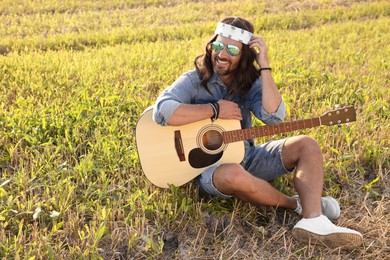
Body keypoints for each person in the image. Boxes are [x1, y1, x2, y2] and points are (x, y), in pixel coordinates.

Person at [152, 16, 363, 248]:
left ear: (244, 56)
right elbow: (162, 112)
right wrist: (214, 109)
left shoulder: (250, 82)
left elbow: (274, 116)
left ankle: (313, 221)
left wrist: (264, 65)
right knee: (233, 173)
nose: (221, 54)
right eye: (218, 46)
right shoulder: (195, 79)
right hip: (209, 170)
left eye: (232, 49)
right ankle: (296, 205)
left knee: (307, 144)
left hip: (247, 156)